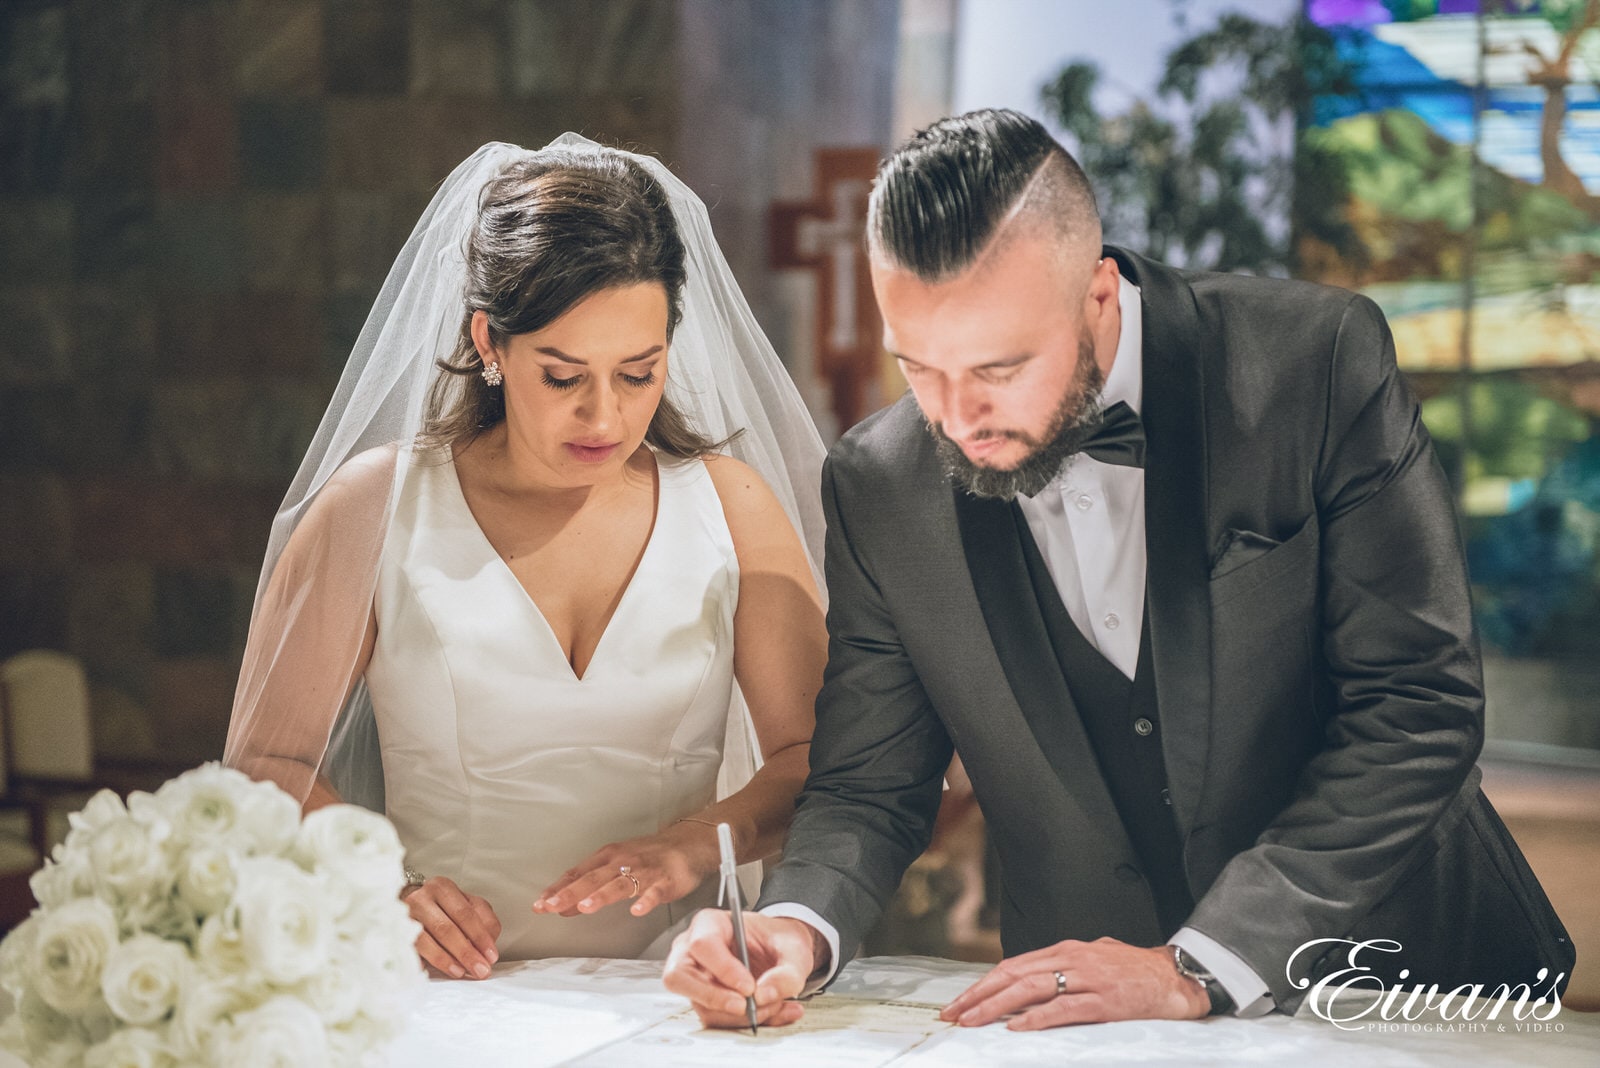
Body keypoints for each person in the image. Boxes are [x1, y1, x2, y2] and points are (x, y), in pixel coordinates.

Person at [663, 109, 1574, 1029]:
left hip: (1395, 988)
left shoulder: (1312, 365)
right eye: (920, 369)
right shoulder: (879, 484)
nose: (957, 417)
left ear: (1099, 293)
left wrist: (1199, 963)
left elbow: (1418, 708)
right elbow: (868, 780)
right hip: (1089, 1028)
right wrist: (798, 925)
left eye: (1000, 367)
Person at [224, 136, 829, 978]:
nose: (604, 416)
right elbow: (264, 765)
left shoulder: (733, 507)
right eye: (562, 374)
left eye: (638, 372)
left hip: (682, 991)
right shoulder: (375, 508)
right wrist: (386, 889)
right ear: (490, 343)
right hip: (443, 989)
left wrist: (694, 844)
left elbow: (817, 764)